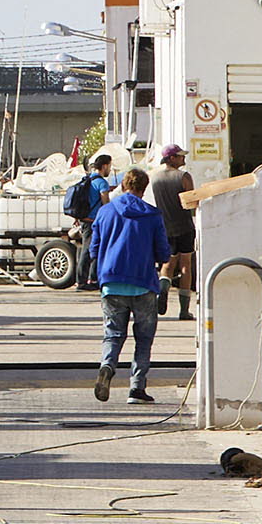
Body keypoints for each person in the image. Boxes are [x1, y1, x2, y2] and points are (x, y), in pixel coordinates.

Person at [91, 167, 170, 403]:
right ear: (143, 189)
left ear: (123, 185)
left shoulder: (105, 212)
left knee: (113, 335)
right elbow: (164, 253)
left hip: (111, 283)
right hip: (144, 283)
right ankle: (136, 388)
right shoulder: (153, 215)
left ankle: (107, 367)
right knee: (144, 338)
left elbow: (94, 250)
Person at [146, 143, 198, 321]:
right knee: (186, 265)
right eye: (181, 156)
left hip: (165, 227)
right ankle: (184, 310)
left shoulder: (155, 178)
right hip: (184, 226)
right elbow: (192, 202)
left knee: (167, 265)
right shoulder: (184, 177)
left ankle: (163, 290)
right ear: (172, 158)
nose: (183, 158)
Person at [63, 153, 115, 290]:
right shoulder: (102, 183)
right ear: (104, 166)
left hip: (84, 220)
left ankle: (90, 279)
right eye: (109, 166)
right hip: (94, 222)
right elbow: (106, 204)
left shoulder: (88, 179)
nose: (109, 169)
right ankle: (82, 281)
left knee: (90, 250)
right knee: (89, 251)